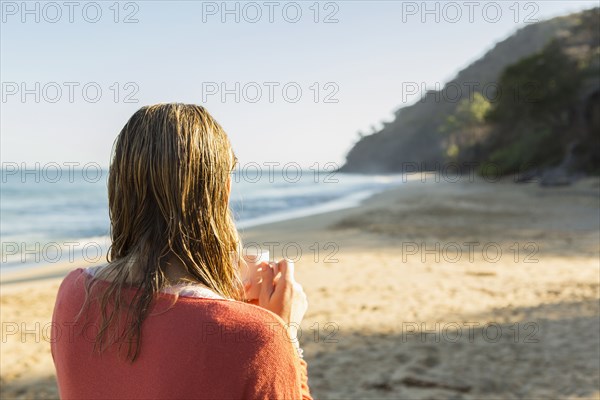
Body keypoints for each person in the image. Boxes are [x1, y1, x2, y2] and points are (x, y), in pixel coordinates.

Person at [50, 103, 312, 399]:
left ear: (119, 187)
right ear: (222, 191)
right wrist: (285, 335)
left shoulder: (73, 293)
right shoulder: (259, 338)